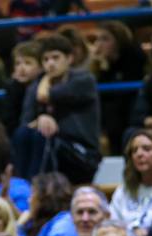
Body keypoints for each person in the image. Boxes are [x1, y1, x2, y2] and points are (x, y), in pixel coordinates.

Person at [12, 35, 101, 185]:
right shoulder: (35, 86)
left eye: (56, 58)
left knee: (45, 139)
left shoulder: (83, 80)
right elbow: (25, 124)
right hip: (52, 147)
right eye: (46, 59)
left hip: (81, 153)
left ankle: (36, 190)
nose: (50, 64)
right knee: (22, 134)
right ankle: (22, 188)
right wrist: (41, 119)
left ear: (69, 59)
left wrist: (45, 80)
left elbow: (46, 96)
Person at [90, 21, 148, 154]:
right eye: (97, 39)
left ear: (119, 40)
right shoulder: (102, 63)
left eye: (105, 39)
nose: (99, 44)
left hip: (130, 112)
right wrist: (98, 66)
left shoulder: (134, 56)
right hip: (112, 120)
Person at [109, 129, 152, 236]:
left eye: (146, 149)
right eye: (134, 150)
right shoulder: (124, 190)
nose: (139, 154)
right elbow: (112, 222)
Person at [18, 171, 77, 236]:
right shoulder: (49, 223)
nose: (29, 200)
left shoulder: (65, 224)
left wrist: (19, 228)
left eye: (32, 194)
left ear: (43, 197)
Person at [2, 41, 43, 136]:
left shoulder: (46, 86)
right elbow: (9, 122)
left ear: (41, 67)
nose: (21, 68)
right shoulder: (11, 87)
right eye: (17, 64)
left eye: (28, 63)